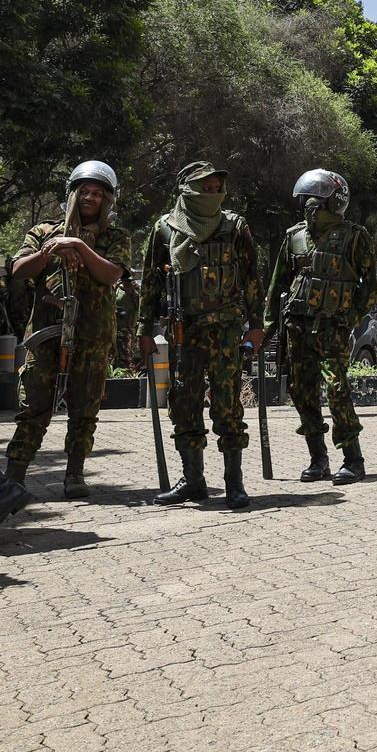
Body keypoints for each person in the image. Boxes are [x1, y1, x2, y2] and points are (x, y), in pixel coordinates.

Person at [137, 162, 264, 509]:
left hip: (225, 331)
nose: (212, 193)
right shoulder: (165, 228)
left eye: (216, 187)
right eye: (203, 187)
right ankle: (193, 481)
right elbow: (150, 283)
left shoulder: (234, 226)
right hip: (183, 331)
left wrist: (257, 325)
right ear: (186, 189)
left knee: (227, 405)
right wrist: (144, 330)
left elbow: (252, 278)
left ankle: (234, 483)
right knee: (184, 404)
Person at [3, 162, 132, 499]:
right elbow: (18, 270)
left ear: (108, 201)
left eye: (99, 194)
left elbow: (111, 275)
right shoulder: (44, 231)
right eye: (85, 191)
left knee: (85, 410)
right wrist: (53, 249)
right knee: (34, 407)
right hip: (47, 334)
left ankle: (74, 474)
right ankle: (14, 477)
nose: (90, 198)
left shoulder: (115, 237)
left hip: (92, 337)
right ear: (73, 194)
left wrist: (79, 245)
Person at [264, 169, 377, 485]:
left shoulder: (356, 238)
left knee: (337, 390)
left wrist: (347, 319)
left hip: (332, 329)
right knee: (301, 392)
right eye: (307, 201)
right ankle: (318, 459)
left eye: (317, 201)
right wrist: (265, 329)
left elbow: (370, 291)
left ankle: (353, 460)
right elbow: (277, 287)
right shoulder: (294, 237)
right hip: (297, 329)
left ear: (333, 203)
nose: (309, 207)